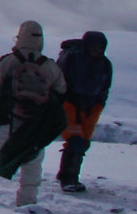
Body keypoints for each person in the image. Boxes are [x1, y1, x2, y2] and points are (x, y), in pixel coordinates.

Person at [0, 21, 67, 207]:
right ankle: (26, 204)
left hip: (8, 121)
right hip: (36, 125)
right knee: (32, 163)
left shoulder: (9, 61)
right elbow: (61, 94)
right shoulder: (50, 67)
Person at [55, 31, 111, 193]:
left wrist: (99, 104)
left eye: (100, 48)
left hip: (91, 107)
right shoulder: (71, 59)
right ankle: (68, 179)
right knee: (74, 139)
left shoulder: (105, 65)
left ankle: (68, 175)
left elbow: (105, 87)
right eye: (93, 47)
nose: (97, 51)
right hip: (70, 104)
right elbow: (61, 82)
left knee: (83, 141)